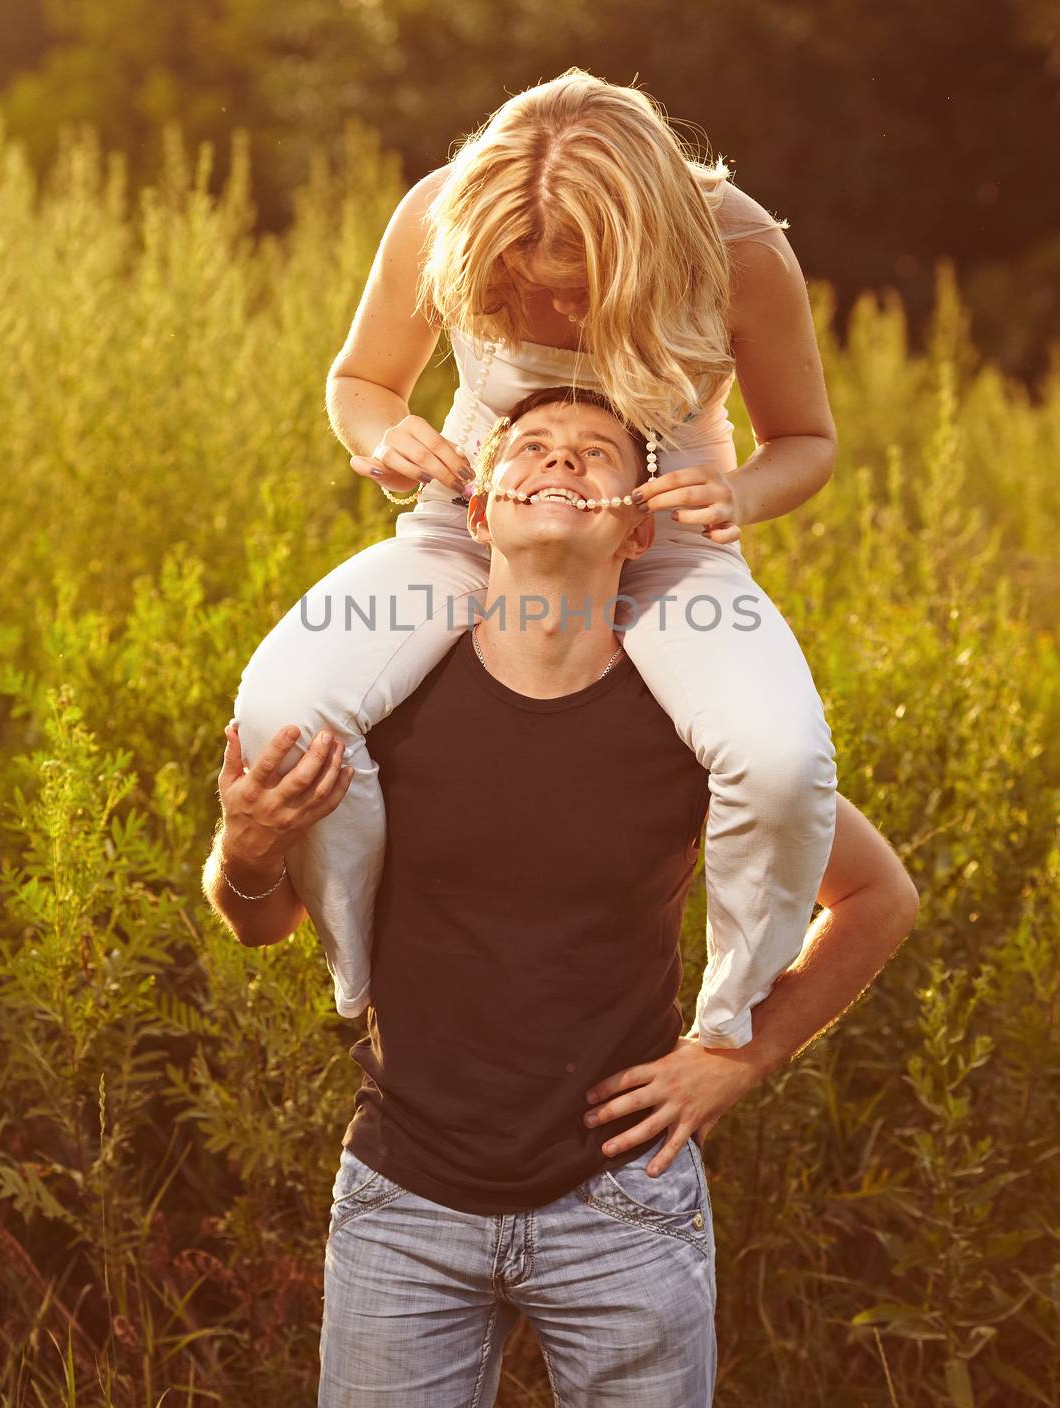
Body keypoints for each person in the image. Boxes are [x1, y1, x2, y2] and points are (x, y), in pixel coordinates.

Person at [204, 390, 919, 1408]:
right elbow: (257, 920)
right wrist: (245, 847)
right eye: (530, 446)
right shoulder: (382, 713)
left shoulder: (690, 728)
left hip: (623, 1210)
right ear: (481, 513)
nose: (559, 460)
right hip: (403, 1201)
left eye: (595, 453)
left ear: (636, 528)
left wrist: (740, 1056)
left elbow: (877, 896)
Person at [231, 68, 843, 1058]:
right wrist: (390, 436)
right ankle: (358, 972)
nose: (542, 313)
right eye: (513, 287)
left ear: (643, 242)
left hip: (667, 536)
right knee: (280, 717)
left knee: (780, 763)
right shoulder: (440, 212)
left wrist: (737, 494)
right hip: (473, 516)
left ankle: (725, 1025)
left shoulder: (738, 249)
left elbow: (804, 442)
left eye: (570, 290)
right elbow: (360, 382)